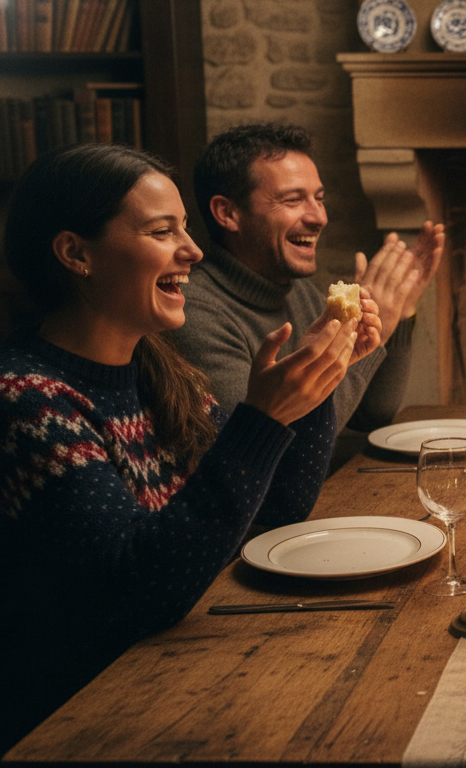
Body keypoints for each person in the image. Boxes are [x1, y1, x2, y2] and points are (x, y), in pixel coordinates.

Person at [0, 144, 370, 751]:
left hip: (175, 672)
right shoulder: (28, 402)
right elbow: (139, 588)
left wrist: (317, 386)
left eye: (187, 229)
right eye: (161, 230)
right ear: (75, 253)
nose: (194, 251)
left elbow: (268, 515)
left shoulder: (160, 373)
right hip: (82, 721)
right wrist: (263, 415)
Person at [167, 122, 443, 444]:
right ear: (227, 213)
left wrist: (396, 317)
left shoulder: (301, 294)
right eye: (293, 200)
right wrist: (371, 343)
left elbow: (372, 413)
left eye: (319, 198)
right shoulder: (195, 316)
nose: (319, 218)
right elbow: (280, 448)